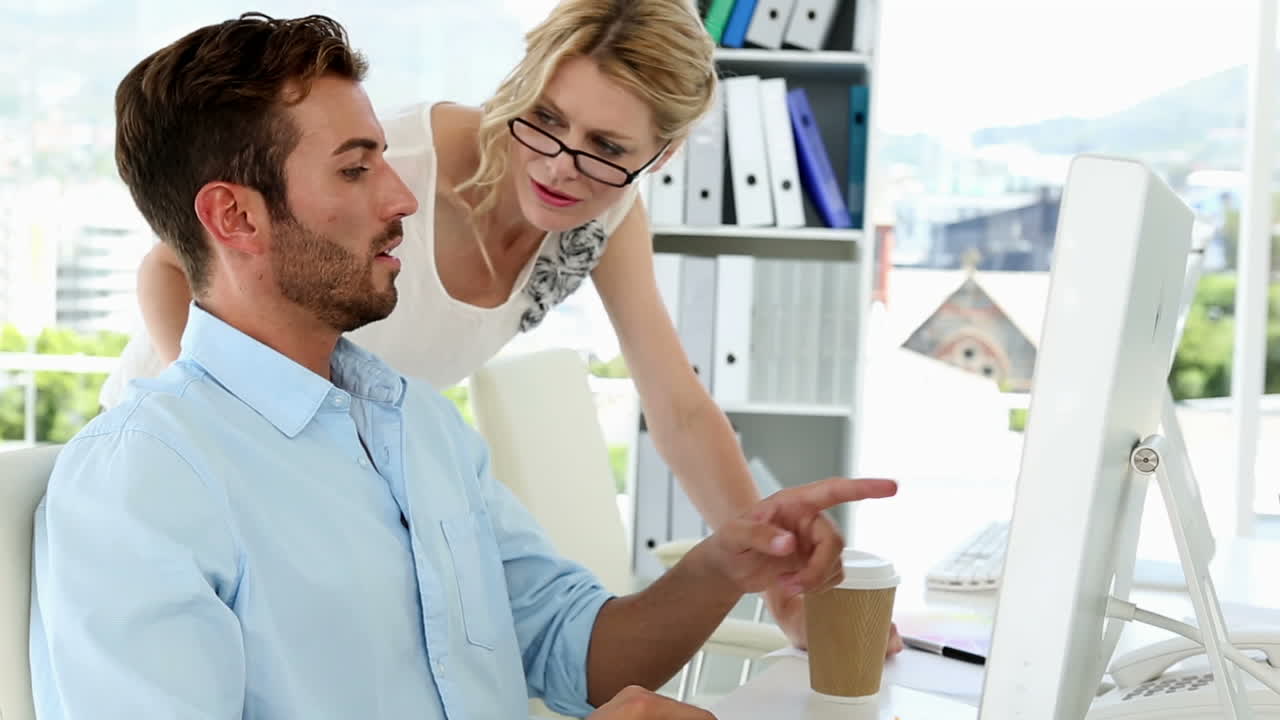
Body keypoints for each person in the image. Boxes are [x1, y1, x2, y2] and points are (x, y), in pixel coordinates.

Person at [29, 13, 900, 719]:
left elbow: (577, 645)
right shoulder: (141, 486)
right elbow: (177, 269)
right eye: (357, 168)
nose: (406, 196)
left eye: (604, 146)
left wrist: (733, 560)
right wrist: (245, 426)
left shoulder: (419, 429)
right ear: (239, 217)